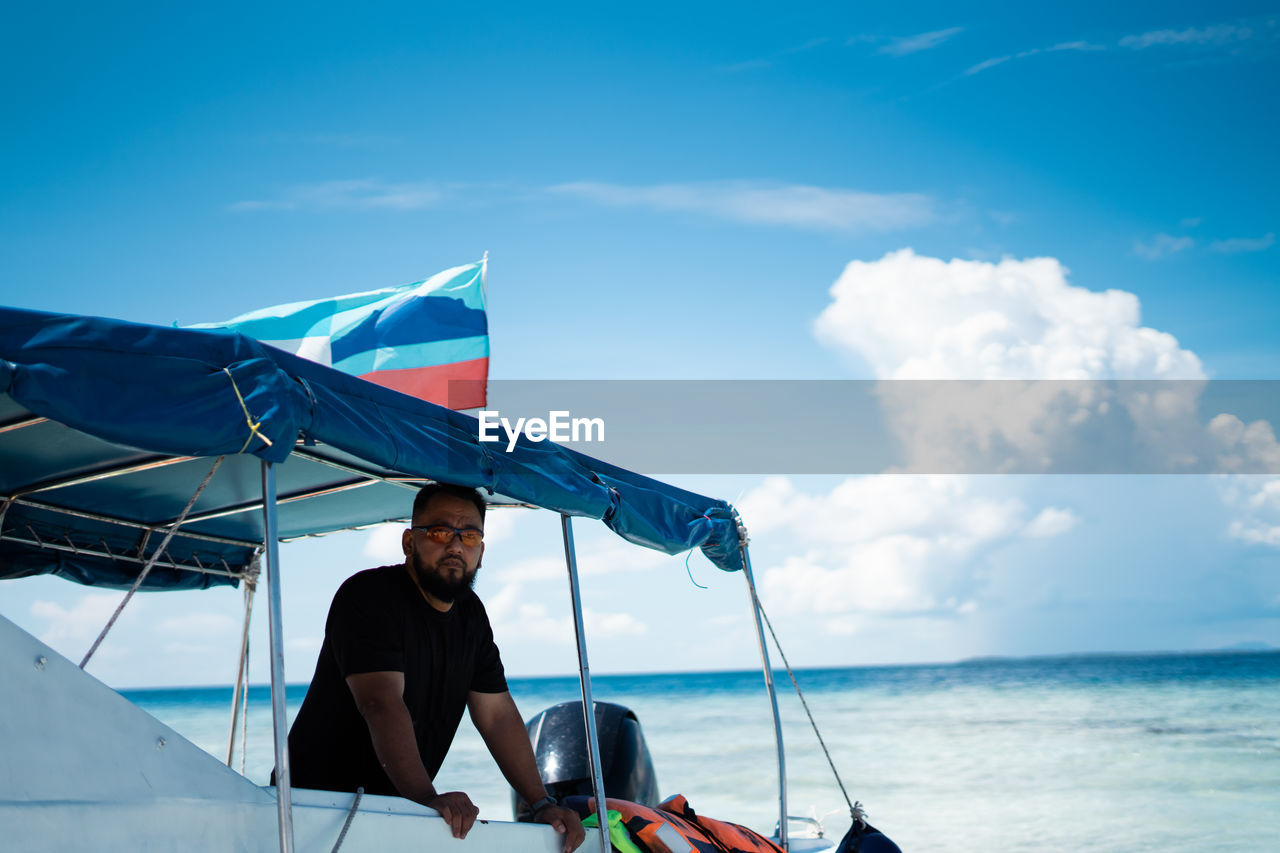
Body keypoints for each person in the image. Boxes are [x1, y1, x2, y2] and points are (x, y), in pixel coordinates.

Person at [281, 481, 585, 851]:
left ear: (482, 551)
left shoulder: (471, 615)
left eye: (469, 536)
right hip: (309, 811)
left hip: (395, 814)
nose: (456, 545)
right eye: (441, 532)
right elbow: (381, 703)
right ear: (410, 542)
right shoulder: (368, 596)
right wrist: (427, 798)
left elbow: (497, 715)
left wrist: (540, 804)